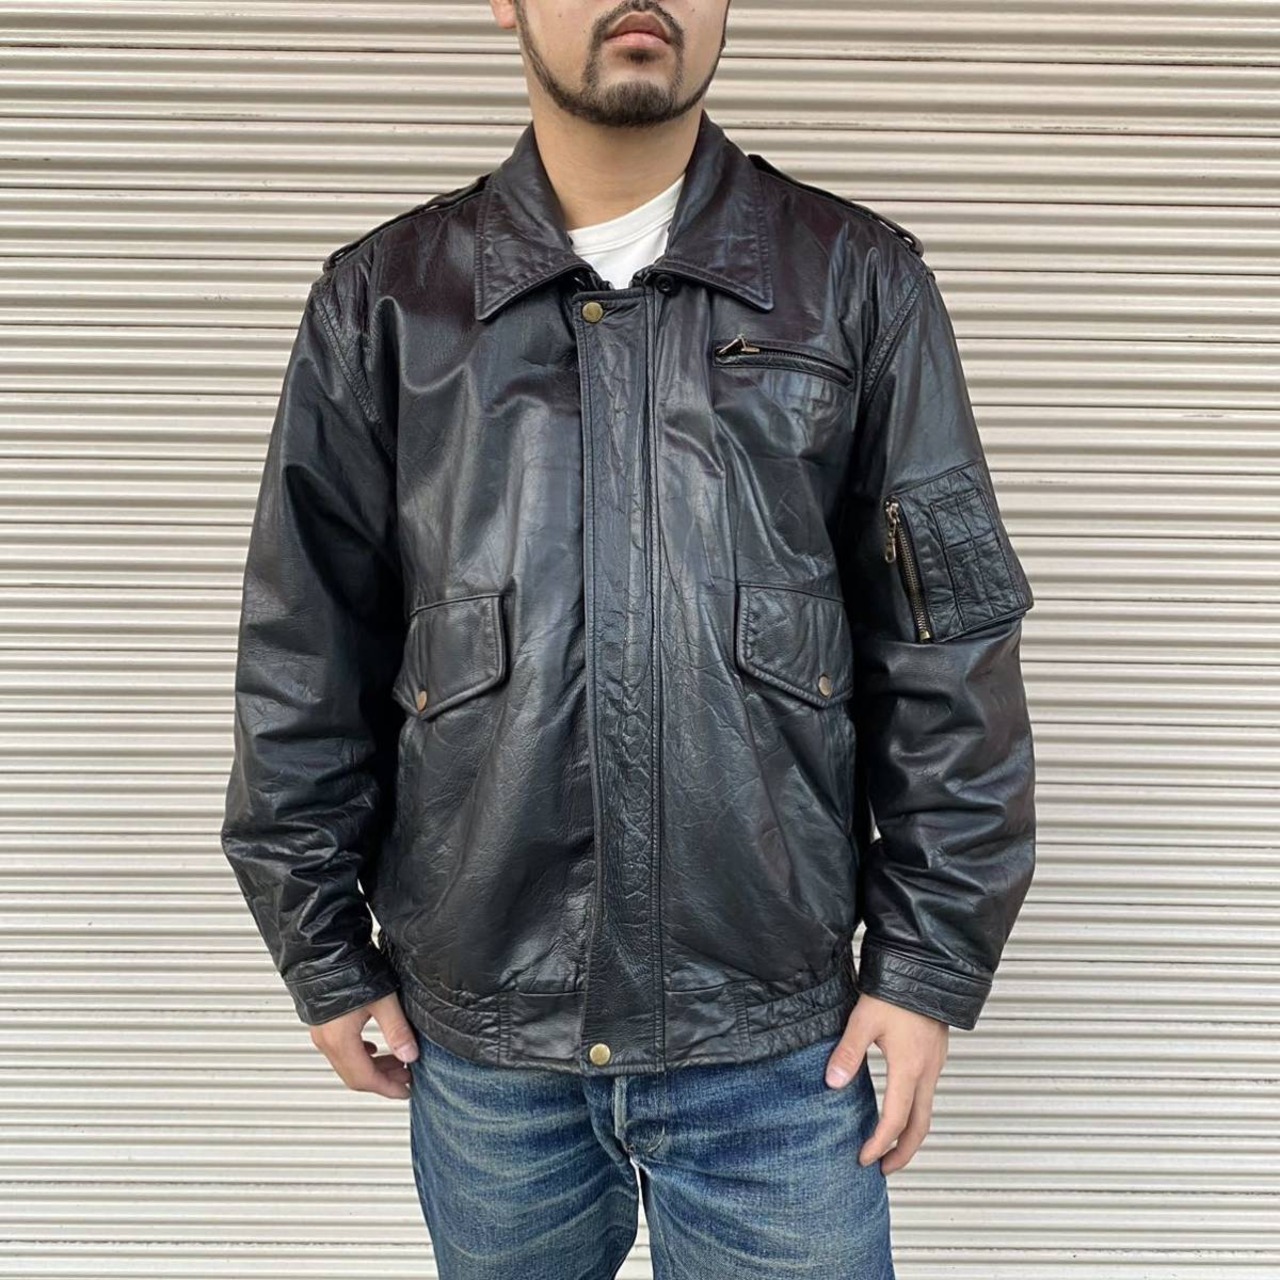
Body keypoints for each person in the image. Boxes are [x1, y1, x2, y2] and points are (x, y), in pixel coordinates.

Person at [220, 1, 1037, 1275]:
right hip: (487, 1048)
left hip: (777, 1049)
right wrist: (320, 950)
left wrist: (926, 961)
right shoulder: (383, 303)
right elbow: (303, 648)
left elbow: (946, 642)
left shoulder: (857, 281)